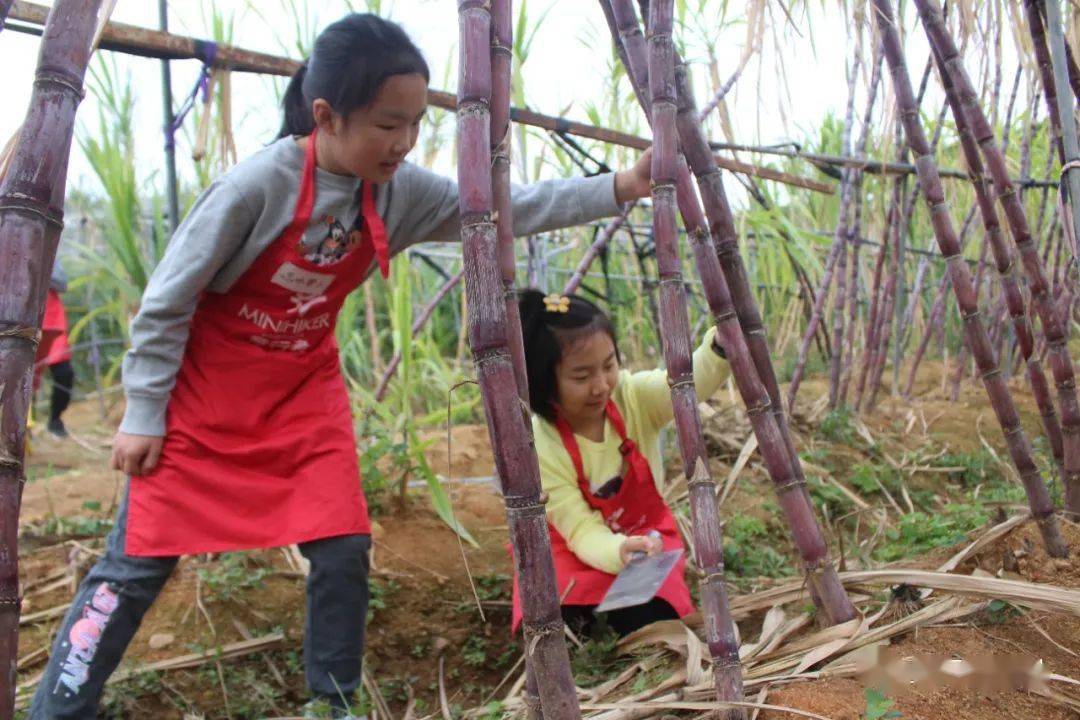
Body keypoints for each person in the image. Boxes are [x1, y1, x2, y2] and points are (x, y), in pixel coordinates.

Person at [29, 13, 653, 720]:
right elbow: (167, 302)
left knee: (344, 549)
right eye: (390, 124)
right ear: (326, 115)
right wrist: (144, 413)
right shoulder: (254, 189)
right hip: (204, 400)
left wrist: (622, 185)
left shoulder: (400, 192)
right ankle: (59, 707)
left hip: (301, 397)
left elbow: (506, 207)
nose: (406, 142)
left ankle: (334, 705)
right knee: (137, 561)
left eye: (417, 123)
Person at [510, 290, 730, 638]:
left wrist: (719, 349)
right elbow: (580, 529)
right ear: (542, 382)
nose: (601, 386)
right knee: (556, 619)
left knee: (652, 616)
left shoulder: (634, 397)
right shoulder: (540, 445)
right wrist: (617, 551)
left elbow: (684, 384)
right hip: (574, 546)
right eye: (581, 377)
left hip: (644, 540)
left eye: (609, 365)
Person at [34, 256, 75, 438]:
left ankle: (55, 420)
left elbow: (62, 283)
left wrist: (37, 265)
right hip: (18, 320)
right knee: (21, 378)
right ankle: (22, 427)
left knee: (64, 373)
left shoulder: (48, 248)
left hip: (51, 321)